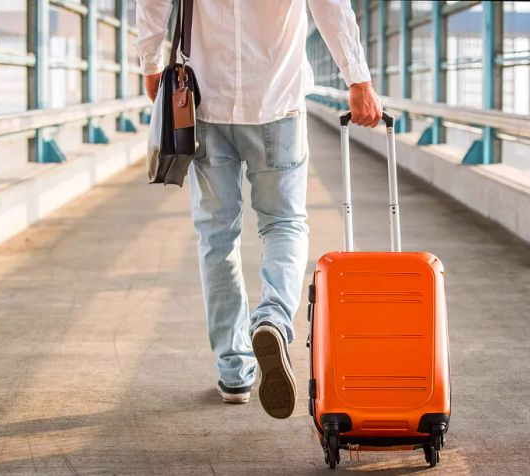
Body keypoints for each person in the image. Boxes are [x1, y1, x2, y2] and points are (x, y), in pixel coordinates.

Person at [136, 0, 381, 419]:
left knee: (216, 236)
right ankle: (273, 319)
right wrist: (357, 78)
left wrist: (151, 63)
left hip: (205, 104)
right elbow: (330, 6)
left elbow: (154, 4)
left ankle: (234, 370)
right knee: (284, 224)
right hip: (277, 102)